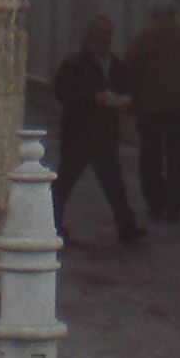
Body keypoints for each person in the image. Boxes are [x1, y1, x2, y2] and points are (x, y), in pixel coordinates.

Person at [50, 14, 143, 247]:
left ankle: (126, 226)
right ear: (91, 35)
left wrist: (124, 101)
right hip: (78, 133)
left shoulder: (116, 64)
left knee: (114, 183)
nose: (105, 39)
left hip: (104, 133)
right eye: (101, 34)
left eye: (108, 34)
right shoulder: (74, 64)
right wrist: (92, 99)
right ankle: (51, 224)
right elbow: (62, 92)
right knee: (65, 183)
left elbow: (125, 89)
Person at [123, 0, 180, 223]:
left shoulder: (143, 39)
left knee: (150, 157)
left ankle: (155, 203)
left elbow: (131, 72)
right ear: (174, 13)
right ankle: (174, 207)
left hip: (149, 108)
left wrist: (131, 101)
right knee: (179, 160)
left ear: (153, 15)